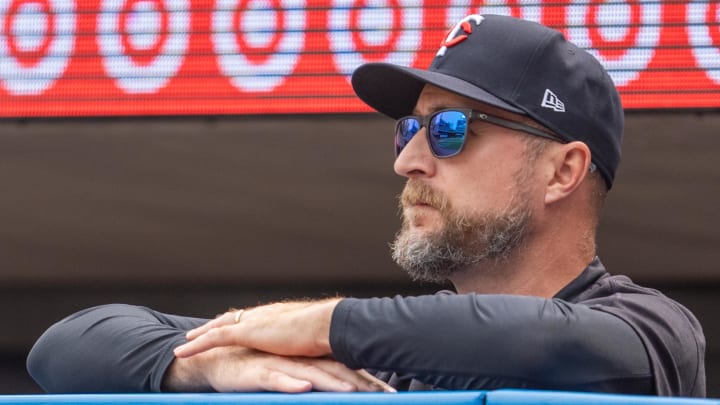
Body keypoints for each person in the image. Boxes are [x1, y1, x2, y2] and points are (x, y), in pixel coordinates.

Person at [27, 14, 705, 397]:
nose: (407, 160)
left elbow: (550, 342)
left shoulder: (651, 331)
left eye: (449, 129)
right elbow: (64, 346)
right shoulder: (377, 355)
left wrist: (329, 322)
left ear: (564, 171)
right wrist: (198, 364)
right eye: (408, 129)